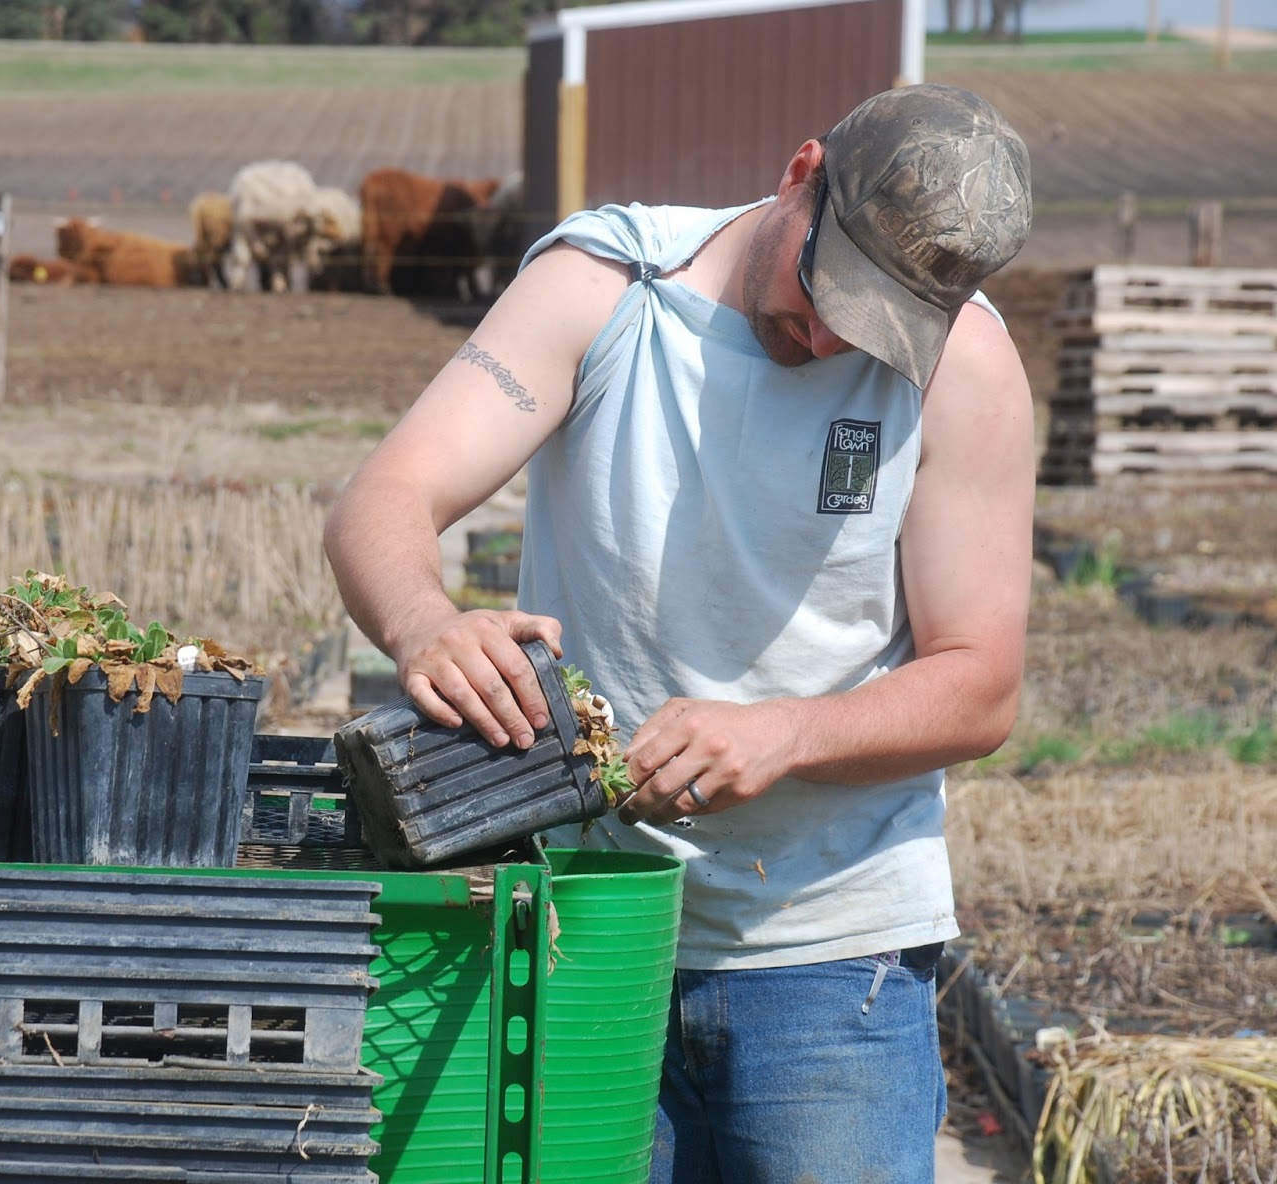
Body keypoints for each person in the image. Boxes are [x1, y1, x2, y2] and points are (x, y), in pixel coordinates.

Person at [323, 83, 1034, 1183]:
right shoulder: (605, 289)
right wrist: (423, 622)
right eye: (822, 289)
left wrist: (785, 735)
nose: (824, 335)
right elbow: (385, 497)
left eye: (868, 325)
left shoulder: (963, 368)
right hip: (582, 928)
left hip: (828, 955)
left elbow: (979, 682)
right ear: (801, 175)